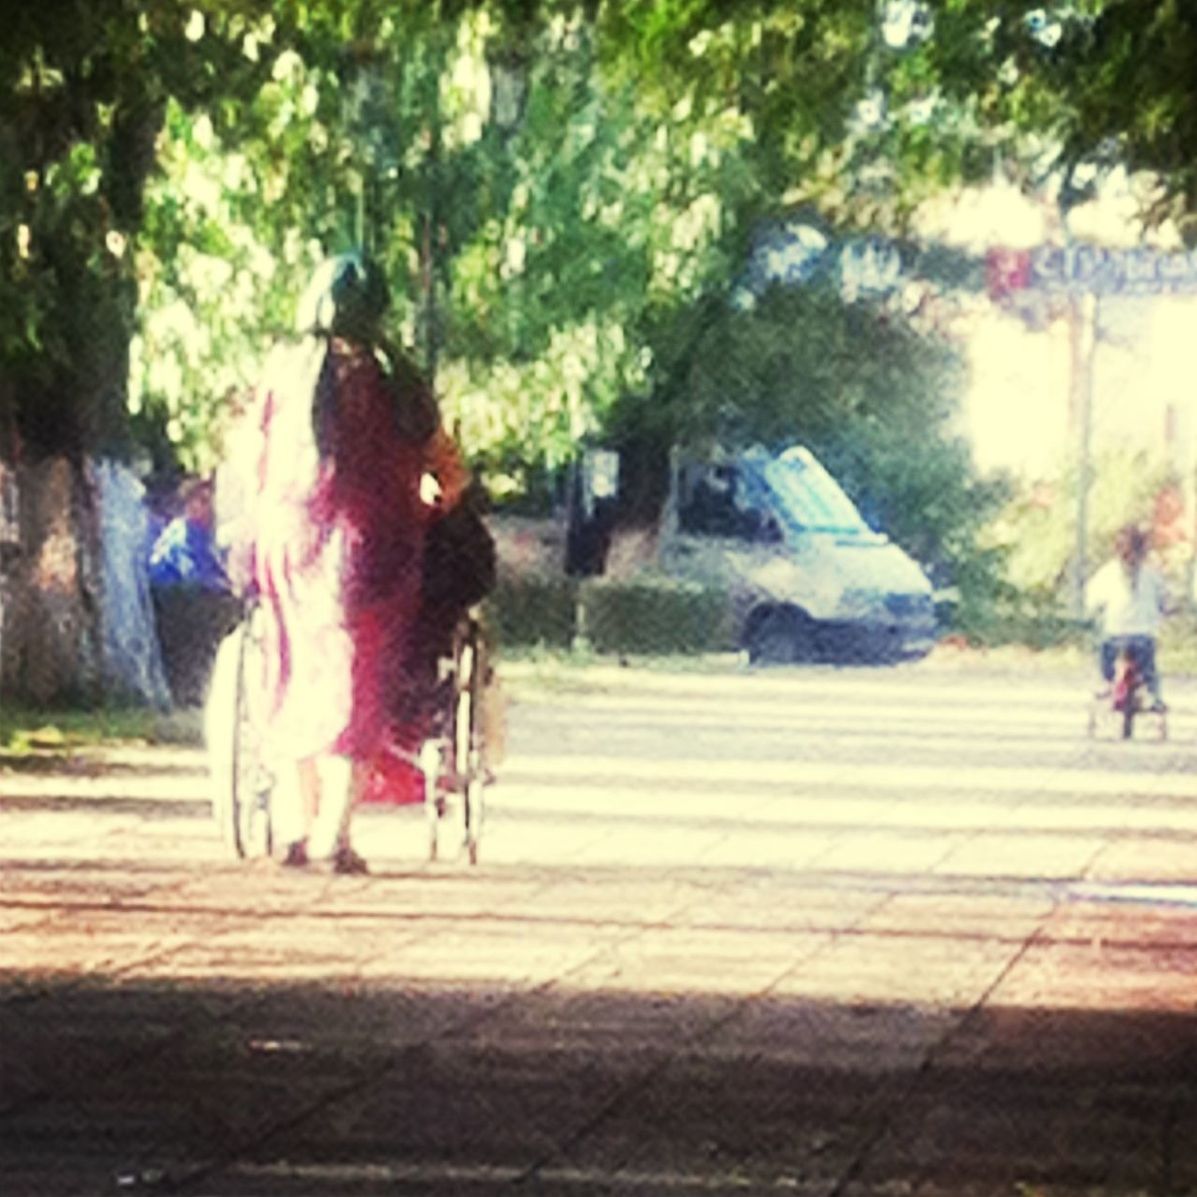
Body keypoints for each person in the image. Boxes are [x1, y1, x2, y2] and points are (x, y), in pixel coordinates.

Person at [225, 251, 443, 873]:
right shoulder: (395, 380)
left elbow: (251, 458)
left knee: (292, 669)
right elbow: (440, 465)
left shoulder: (281, 371)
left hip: (286, 545)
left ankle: (296, 823)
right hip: (370, 550)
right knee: (357, 683)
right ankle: (334, 834)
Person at [1085, 523, 1170, 712]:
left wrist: (1093, 610)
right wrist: (1165, 609)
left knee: (1104, 654)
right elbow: (1165, 598)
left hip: (1115, 633)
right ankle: (1153, 694)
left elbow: (1093, 599)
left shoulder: (1107, 573)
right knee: (1149, 667)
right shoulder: (1152, 575)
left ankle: (1106, 682)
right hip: (1143, 634)